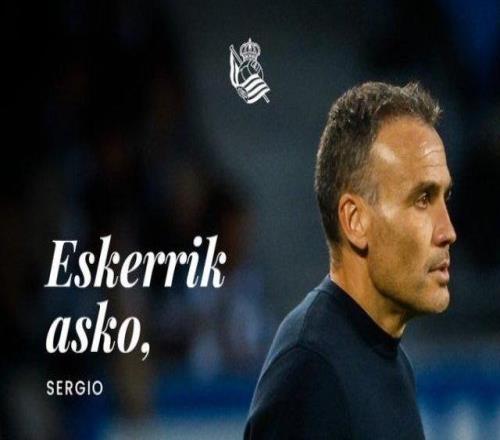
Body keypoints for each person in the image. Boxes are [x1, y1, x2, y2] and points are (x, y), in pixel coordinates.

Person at [244, 82, 456, 439]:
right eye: (422, 199)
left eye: (444, 197)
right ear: (355, 221)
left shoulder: (388, 359)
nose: (448, 231)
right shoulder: (311, 372)